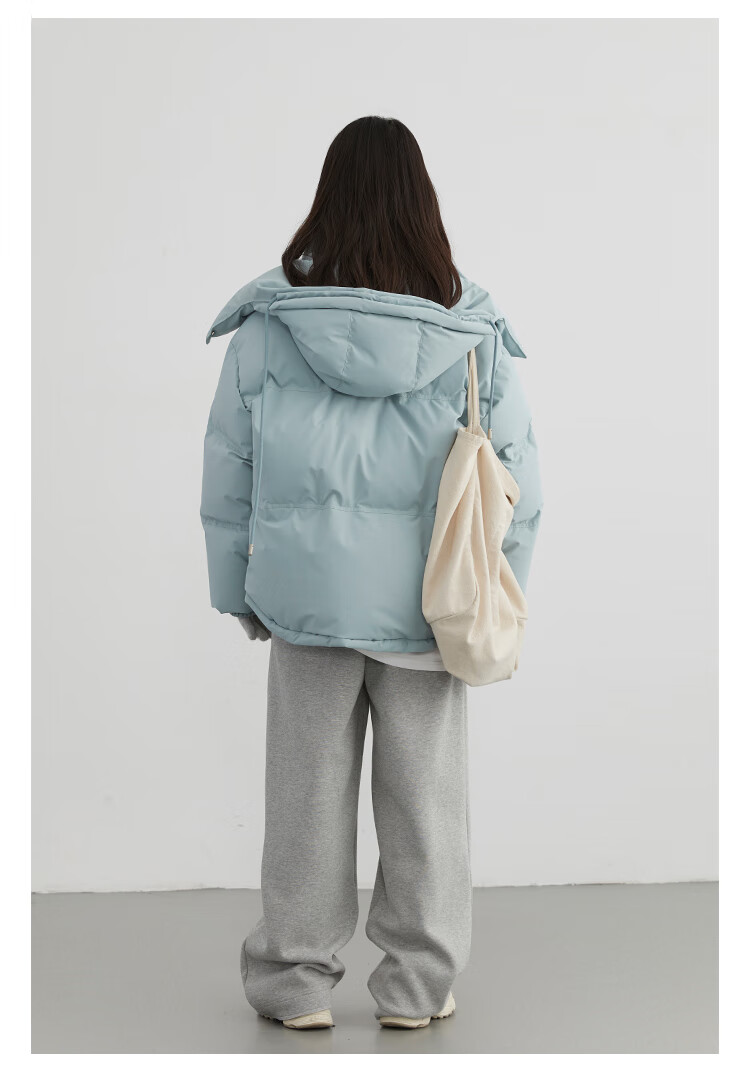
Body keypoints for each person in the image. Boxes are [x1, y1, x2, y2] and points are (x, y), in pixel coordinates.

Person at [201, 116, 542, 1031]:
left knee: (304, 800)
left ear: (329, 198)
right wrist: (501, 589)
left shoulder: (269, 326)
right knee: (426, 807)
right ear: (421, 203)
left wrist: (235, 591)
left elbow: (227, 467)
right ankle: (416, 989)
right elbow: (520, 482)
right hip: (432, 608)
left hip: (305, 604)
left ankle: (293, 983)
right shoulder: (471, 331)